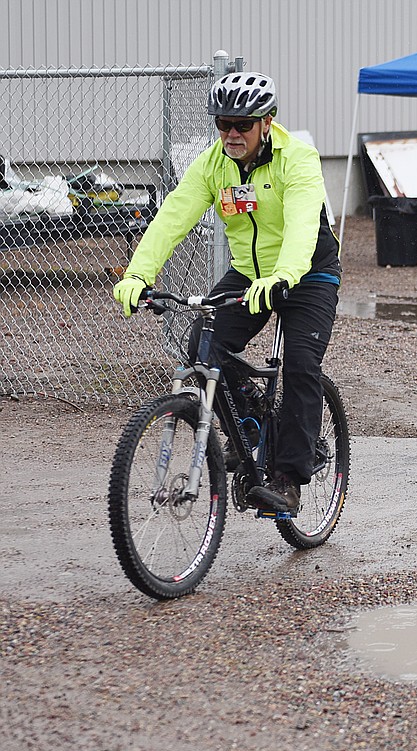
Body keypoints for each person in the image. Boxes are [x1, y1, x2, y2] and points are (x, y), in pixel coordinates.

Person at [111, 72, 340, 513]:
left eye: (243, 124)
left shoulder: (299, 159)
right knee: (203, 343)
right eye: (223, 123)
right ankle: (249, 426)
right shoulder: (213, 164)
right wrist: (138, 273)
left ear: (267, 121)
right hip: (249, 272)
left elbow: (302, 225)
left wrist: (283, 276)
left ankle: (290, 478)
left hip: (308, 272)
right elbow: (173, 216)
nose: (231, 133)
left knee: (300, 365)